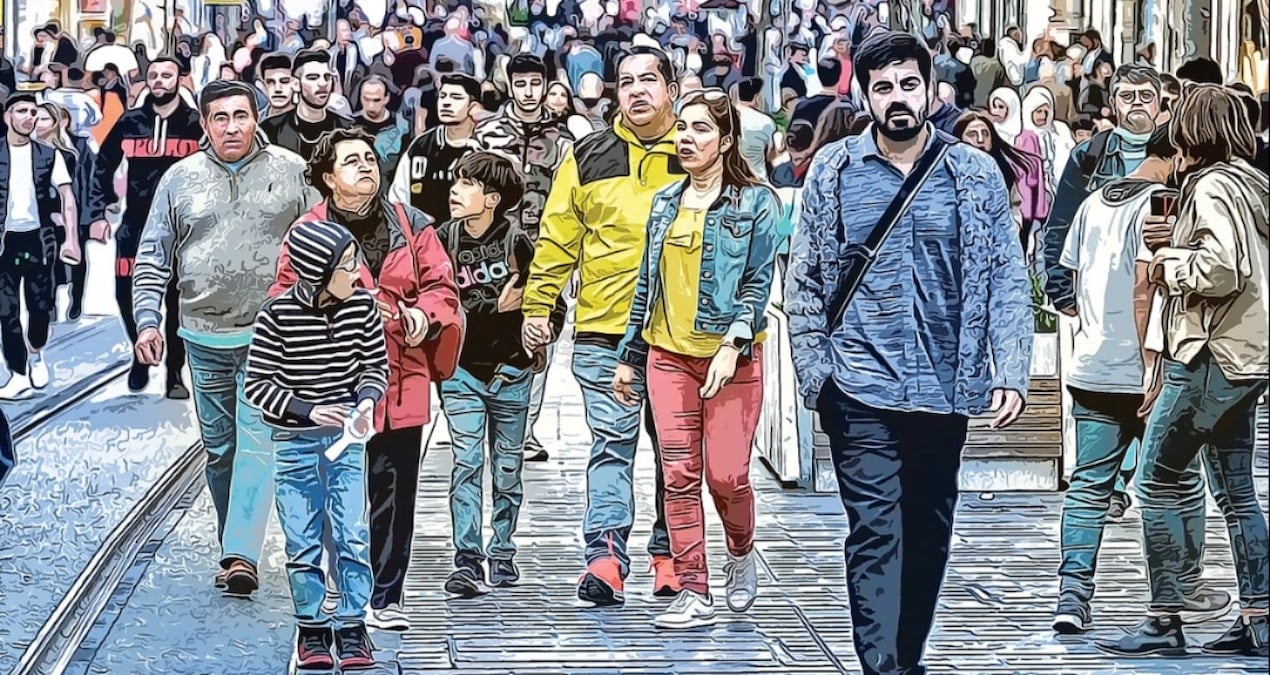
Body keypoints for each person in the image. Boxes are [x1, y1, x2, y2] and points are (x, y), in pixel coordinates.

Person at [784, 31, 1033, 675]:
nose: (898, 98)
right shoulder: (835, 169)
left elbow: (1006, 275)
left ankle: (906, 655)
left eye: (909, 84)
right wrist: (817, 375)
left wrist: (1009, 369)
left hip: (945, 385)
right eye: (884, 87)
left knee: (928, 529)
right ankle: (882, 666)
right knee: (875, 530)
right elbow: (804, 277)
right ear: (865, 97)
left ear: (930, 90)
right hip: (858, 384)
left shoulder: (973, 172)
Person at [1098, 84, 1270, 660]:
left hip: (1207, 355)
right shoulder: (1249, 184)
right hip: (1244, 357)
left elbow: (1221, 270)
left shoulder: (1212, 185)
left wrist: (1167, 260)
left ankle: (1164, 617)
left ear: (1193, 131)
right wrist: (1178, 239)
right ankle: (1259, 619)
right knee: (1237, 492)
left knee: (1155, 479)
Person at [272, 127, 463, 631]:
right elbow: (284, 297)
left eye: (370, 159)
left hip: (402, 375)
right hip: (331, 379)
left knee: (395, 490)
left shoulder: (412, 223)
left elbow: (443, 288)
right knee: (337, 484)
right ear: (328, 178)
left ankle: (386, 594)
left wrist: (423, 314)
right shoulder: (307, 232)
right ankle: (345, 583)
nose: (365, 167)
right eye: (351, 161)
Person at [132, 80, 317, 598]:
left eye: (241, 116)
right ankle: (232, 543)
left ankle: (240, 554)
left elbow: (324, 240)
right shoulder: (179, 179)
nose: (232, 127)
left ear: (256, 118)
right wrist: (148, 321)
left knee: (258, 441)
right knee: (220, 450)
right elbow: (152, 255)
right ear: (205, 124)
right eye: (221, 118)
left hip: (272, 335)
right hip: (202, 334)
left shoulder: (292, 170)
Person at [1051, 123, 1233, 633]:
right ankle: (1183, 584)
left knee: (1088, 485)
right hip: (1149, 370)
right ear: (1175, 156)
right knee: (1180, 480)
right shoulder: (1163, 207)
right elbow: (1145, 289)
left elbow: (1072, 273)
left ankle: (1072, 596)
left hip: (1092, 365)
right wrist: (1153, 365)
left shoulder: (1093, 202)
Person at [612, 88, 781, 629]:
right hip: (667, 356)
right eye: (682, 128)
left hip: (732, 360)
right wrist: (630, 354)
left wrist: (733, 344)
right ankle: (694, 588)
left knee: (727, 476)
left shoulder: (758, 203)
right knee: (678, 474)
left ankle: (740, 551)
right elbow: (647, 284)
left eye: (701, 128)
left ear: (726, 140)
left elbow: (757, 283)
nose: (686, 138)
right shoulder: (665, 202)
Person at [522, 45, 680, 606]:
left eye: (648, 80)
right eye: (626, 81)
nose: (636, 91)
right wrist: (538, 306)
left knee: (676, 453)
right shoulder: (587, 155)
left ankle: (671, 554)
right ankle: (605, 558)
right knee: (612, 445)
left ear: (671, 89)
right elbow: (557, 235)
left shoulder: (696, 148)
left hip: (678, 334)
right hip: (602, 329)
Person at [244, 219, 388, 671]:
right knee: (302, 540)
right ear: (318, 271)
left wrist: (366, 401)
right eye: (347, 266)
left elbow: (375, 367)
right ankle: (311, 627)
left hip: (347, 440)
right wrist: (307, 409)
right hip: (294, 443)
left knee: (352, 535)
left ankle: (352, 626)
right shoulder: (277, 314)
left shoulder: (362, 307)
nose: (357, 273)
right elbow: (257, 385)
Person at [435, 151, 565, 596]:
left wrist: (541, 327)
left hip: (512, 371)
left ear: (492, 199)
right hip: (461, 372)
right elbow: (440, 302)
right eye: (456, 182)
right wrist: (494, 306)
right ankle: (467, 558)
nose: (455, 191)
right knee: (467, 462)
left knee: (508, 469)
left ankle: (503, 548)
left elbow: (550, 300)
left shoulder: (518, 242)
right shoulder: (443, 240)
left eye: (466, 184)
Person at [472, 53, 574, 463]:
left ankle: (524, 430)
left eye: (535, 83)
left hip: (545, 250)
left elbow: (573, 199)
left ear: (546, 85)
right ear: (509, 85)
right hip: (493, 249)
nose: (528, 92)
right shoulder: (488, 133)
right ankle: (492, 422)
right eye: (521, 84)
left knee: (539, 334)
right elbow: (470, 186)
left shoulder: (563, 139)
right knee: (491, 332)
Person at [88, 57, 203, 397]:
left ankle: (174, 373)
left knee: (177, 301)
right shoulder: (130, 121)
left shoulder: (195, 124)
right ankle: (141, 350)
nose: (159, 81)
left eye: (166, 75)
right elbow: (102, 164)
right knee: (125, 293)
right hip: (136, 225)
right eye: (153, 75)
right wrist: (99, 211)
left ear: (179, 80)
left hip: (184, 228)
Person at [0, 93, 79, 400]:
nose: (29, 118)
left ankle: (36, 351)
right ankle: (18, 374)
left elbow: (67, 197)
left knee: (40, 306)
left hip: (38, 239)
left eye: (33, 112)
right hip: (5, 241)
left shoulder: (48, 154)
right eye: (22, 111)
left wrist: (71, 239)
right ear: (8, 116)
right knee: (6, 310)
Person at [390, 73, 482, 225]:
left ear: (473, 107)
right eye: (443, 96)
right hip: (424, 235)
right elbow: (398, 198)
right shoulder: (421, 146)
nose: (446, 103)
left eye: (456, 97)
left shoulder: (484, 147)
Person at [261, 48, 352, 160]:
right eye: (313, 78)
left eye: (327, 77)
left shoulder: (347, 128)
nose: (322, 83)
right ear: (295, 84)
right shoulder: (270, 129)